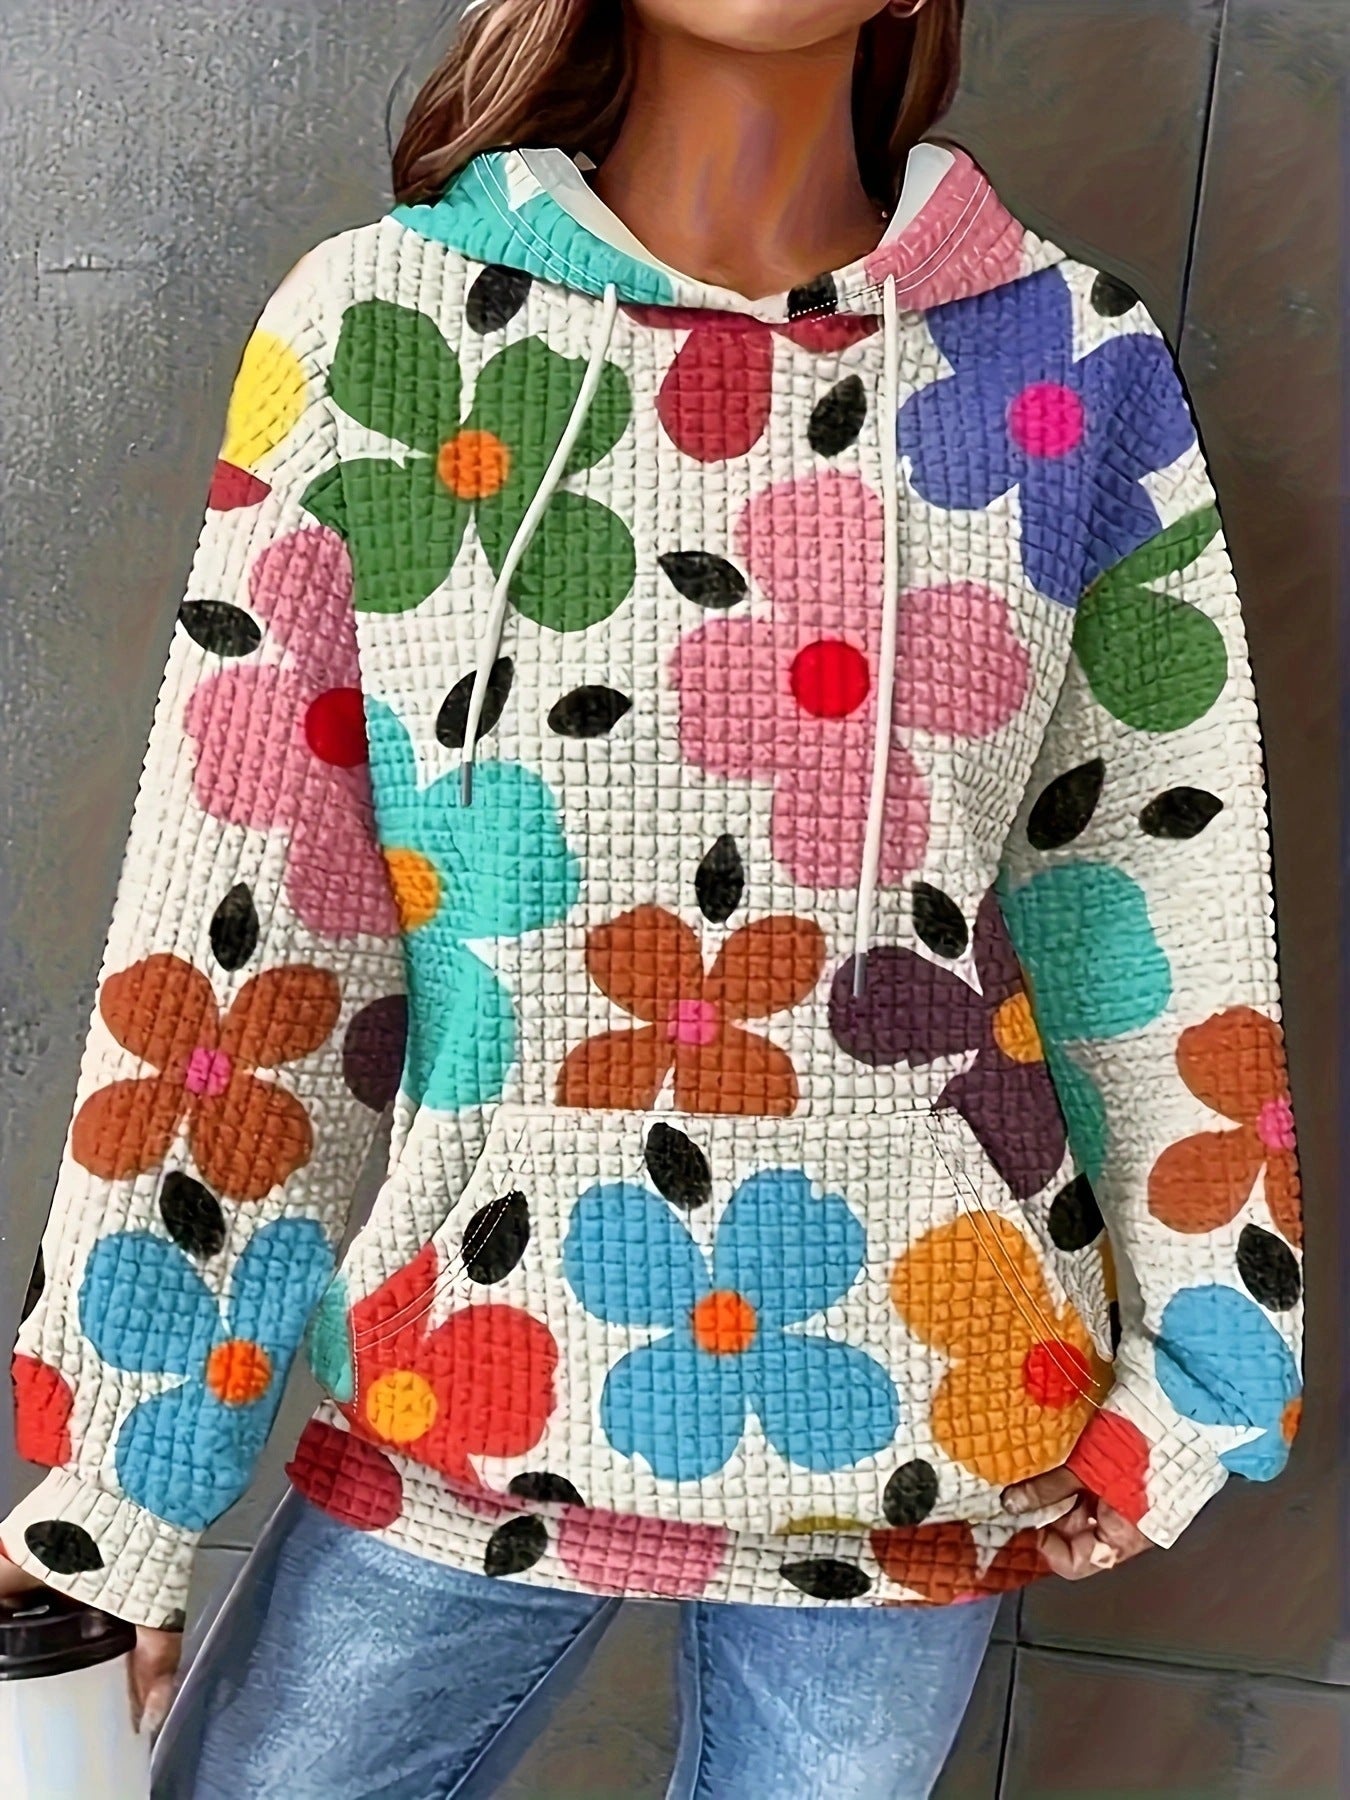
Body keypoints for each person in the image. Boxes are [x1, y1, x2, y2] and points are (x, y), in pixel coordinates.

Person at [1, 1, 1306, 1795]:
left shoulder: (1069, 358)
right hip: (467, 1380)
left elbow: (1153, 889)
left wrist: (1199, 1373)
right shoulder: (381, 331)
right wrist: (119, 1481)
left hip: (926, 1409)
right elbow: (245, 924)